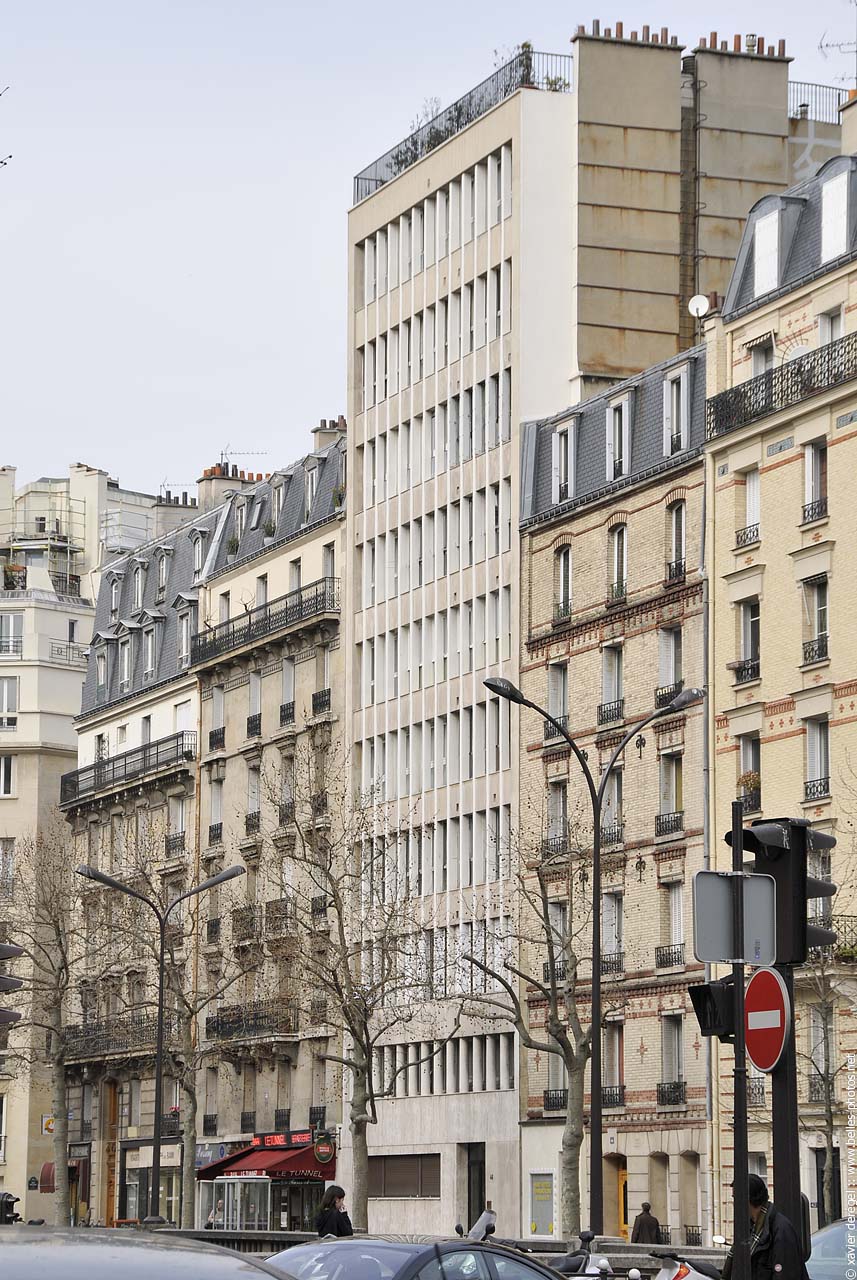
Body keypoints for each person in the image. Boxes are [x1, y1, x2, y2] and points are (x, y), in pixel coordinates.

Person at [723, 1174, 809, 1280]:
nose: (733, 1204)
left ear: (747, 1199)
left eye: (735, 1198)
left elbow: (785, 1274)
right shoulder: (751, 1230)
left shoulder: (781, 1230)